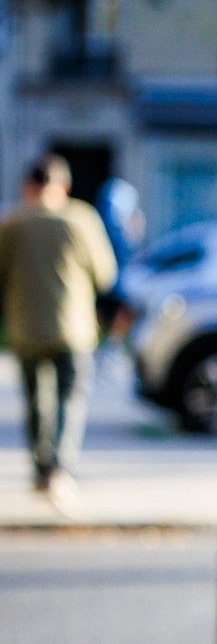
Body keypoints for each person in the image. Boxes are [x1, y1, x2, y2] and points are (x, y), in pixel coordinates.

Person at [0, 155, 118, 514]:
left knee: (36, 400)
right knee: (69, 399)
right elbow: (106, 274)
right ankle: (59, 468)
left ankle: (40, 467)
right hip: (73, 327)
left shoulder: (12, 222)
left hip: (25, 326)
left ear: (28, 185)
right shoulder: (80, 219)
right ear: (63, 186)